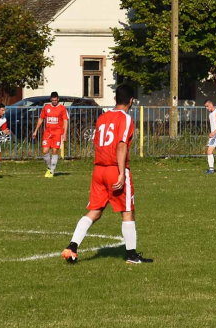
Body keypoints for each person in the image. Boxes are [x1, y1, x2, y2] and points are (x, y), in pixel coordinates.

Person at [61, 84, 152, 264]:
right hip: (114, 169)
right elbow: (121, 145)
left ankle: (72, 247)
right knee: (127, 212)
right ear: (131, 101)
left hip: (98, 170)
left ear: (115, 99)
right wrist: (120, 173)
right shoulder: (125, 119)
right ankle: (132, 256)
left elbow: (97, 142)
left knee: (94, 211)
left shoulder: (102, 117)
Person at [30, 92, 69, 177]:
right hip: (47, 133)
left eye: (55, 100)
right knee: (45, 151)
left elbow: (65, 121)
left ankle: (52, 171)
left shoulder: (62, 108)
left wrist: (65, 133)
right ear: (51, 99)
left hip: (58, 133)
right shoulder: (46, 107)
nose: (54, 101)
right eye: (52, 100)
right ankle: (49, 167)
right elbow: (41, 119)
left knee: (55, 151)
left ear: (58, 99)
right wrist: (35, 130)